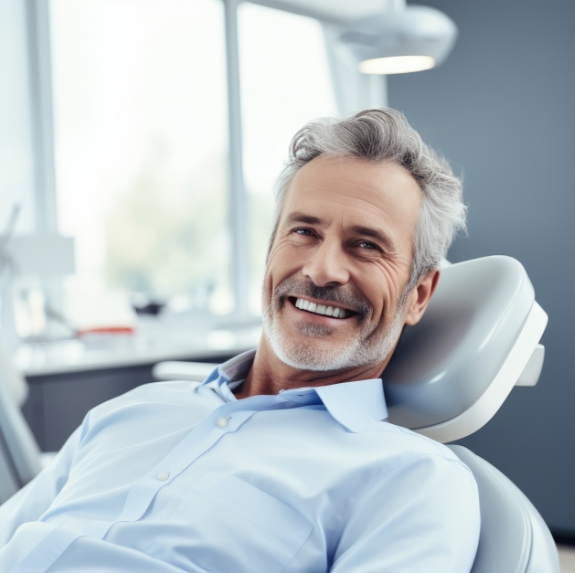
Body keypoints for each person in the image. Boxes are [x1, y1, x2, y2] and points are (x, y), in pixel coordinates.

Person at [0, 109, 480, 572]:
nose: (321, 270)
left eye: (367, 245)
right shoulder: (128, 411)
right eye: (304, 232)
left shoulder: (412, 480)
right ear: (271, 248)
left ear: (418, 295)